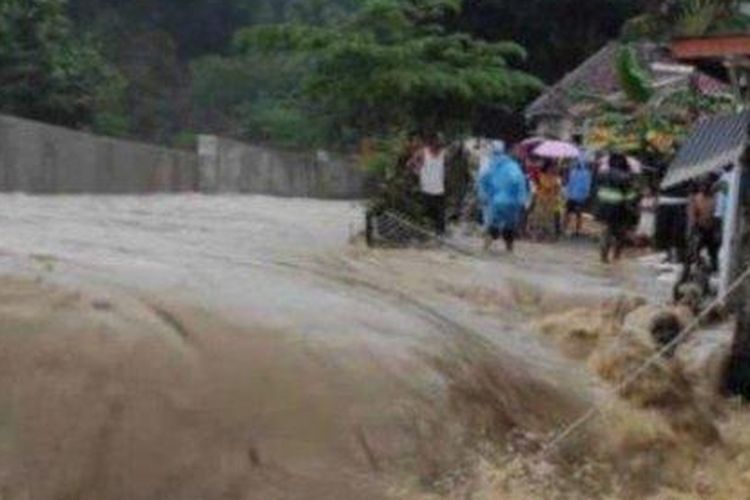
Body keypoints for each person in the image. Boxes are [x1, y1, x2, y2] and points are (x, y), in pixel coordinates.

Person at [477, 141, 529, 252]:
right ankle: (509, 250)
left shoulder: (491, 165)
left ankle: (485, 248)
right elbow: (520, 182)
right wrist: (522, 200)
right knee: (510, 228)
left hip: (496, 202)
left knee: (493, 227)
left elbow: (482, 181)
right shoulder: (514, 166)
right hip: (513, 203)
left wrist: (484, 196)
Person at [596, 153, 638, 263]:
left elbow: (597, 187)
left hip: (602, 205)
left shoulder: (602, 174)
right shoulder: (626, 177)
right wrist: (633, 206)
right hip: (618, 207)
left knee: (606, 231)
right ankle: (616, 257)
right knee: (620, 233)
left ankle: (603, 257)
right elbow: (630, 195)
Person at [411, 133, 448, 236]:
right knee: (427, 212)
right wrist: (417, 170)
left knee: (440, 214)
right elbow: (410, 164)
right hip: (426, 189)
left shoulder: (444, 154)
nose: (439, 146)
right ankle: (425, 232)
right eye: (438, 143)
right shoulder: (423, 152)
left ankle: (440, 234)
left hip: (440, 189)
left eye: (441, 145)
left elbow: (447, 168)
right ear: (432, 142)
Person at [688, 177, 720, 272]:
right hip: (700, 228)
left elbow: (717, 214)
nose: (704, 188)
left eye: (706, 186)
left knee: (713, 251)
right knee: (695, 249)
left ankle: (714, 268)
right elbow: (692, 215)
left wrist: (717, 229)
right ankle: (694, 267)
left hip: (712, 228)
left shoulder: (715, 198)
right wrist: (693, 228)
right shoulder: (696, 198)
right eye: (702, 186)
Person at [528, 160, 561, 241]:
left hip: (550, 201)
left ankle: (548, 236)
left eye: (554, 167)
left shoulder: (555, 178)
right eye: (552, 167)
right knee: (539, 218)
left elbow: (557, 190)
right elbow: (546, 186)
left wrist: (557, 184)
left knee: (549, 219)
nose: (553, 169)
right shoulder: (541, 176)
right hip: (542, 200)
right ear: (547, 168)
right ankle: (536, 235)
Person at [564, 156, 593, 237]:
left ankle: (565, 227)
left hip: (571, 196)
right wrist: (586, 195)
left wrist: (567, 193)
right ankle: (577, 230)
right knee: (578, 214)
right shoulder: (587, 173)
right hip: (580, 197)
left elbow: (569, 183)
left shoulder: (573, 172)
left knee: (567, 212)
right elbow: (587, 186)